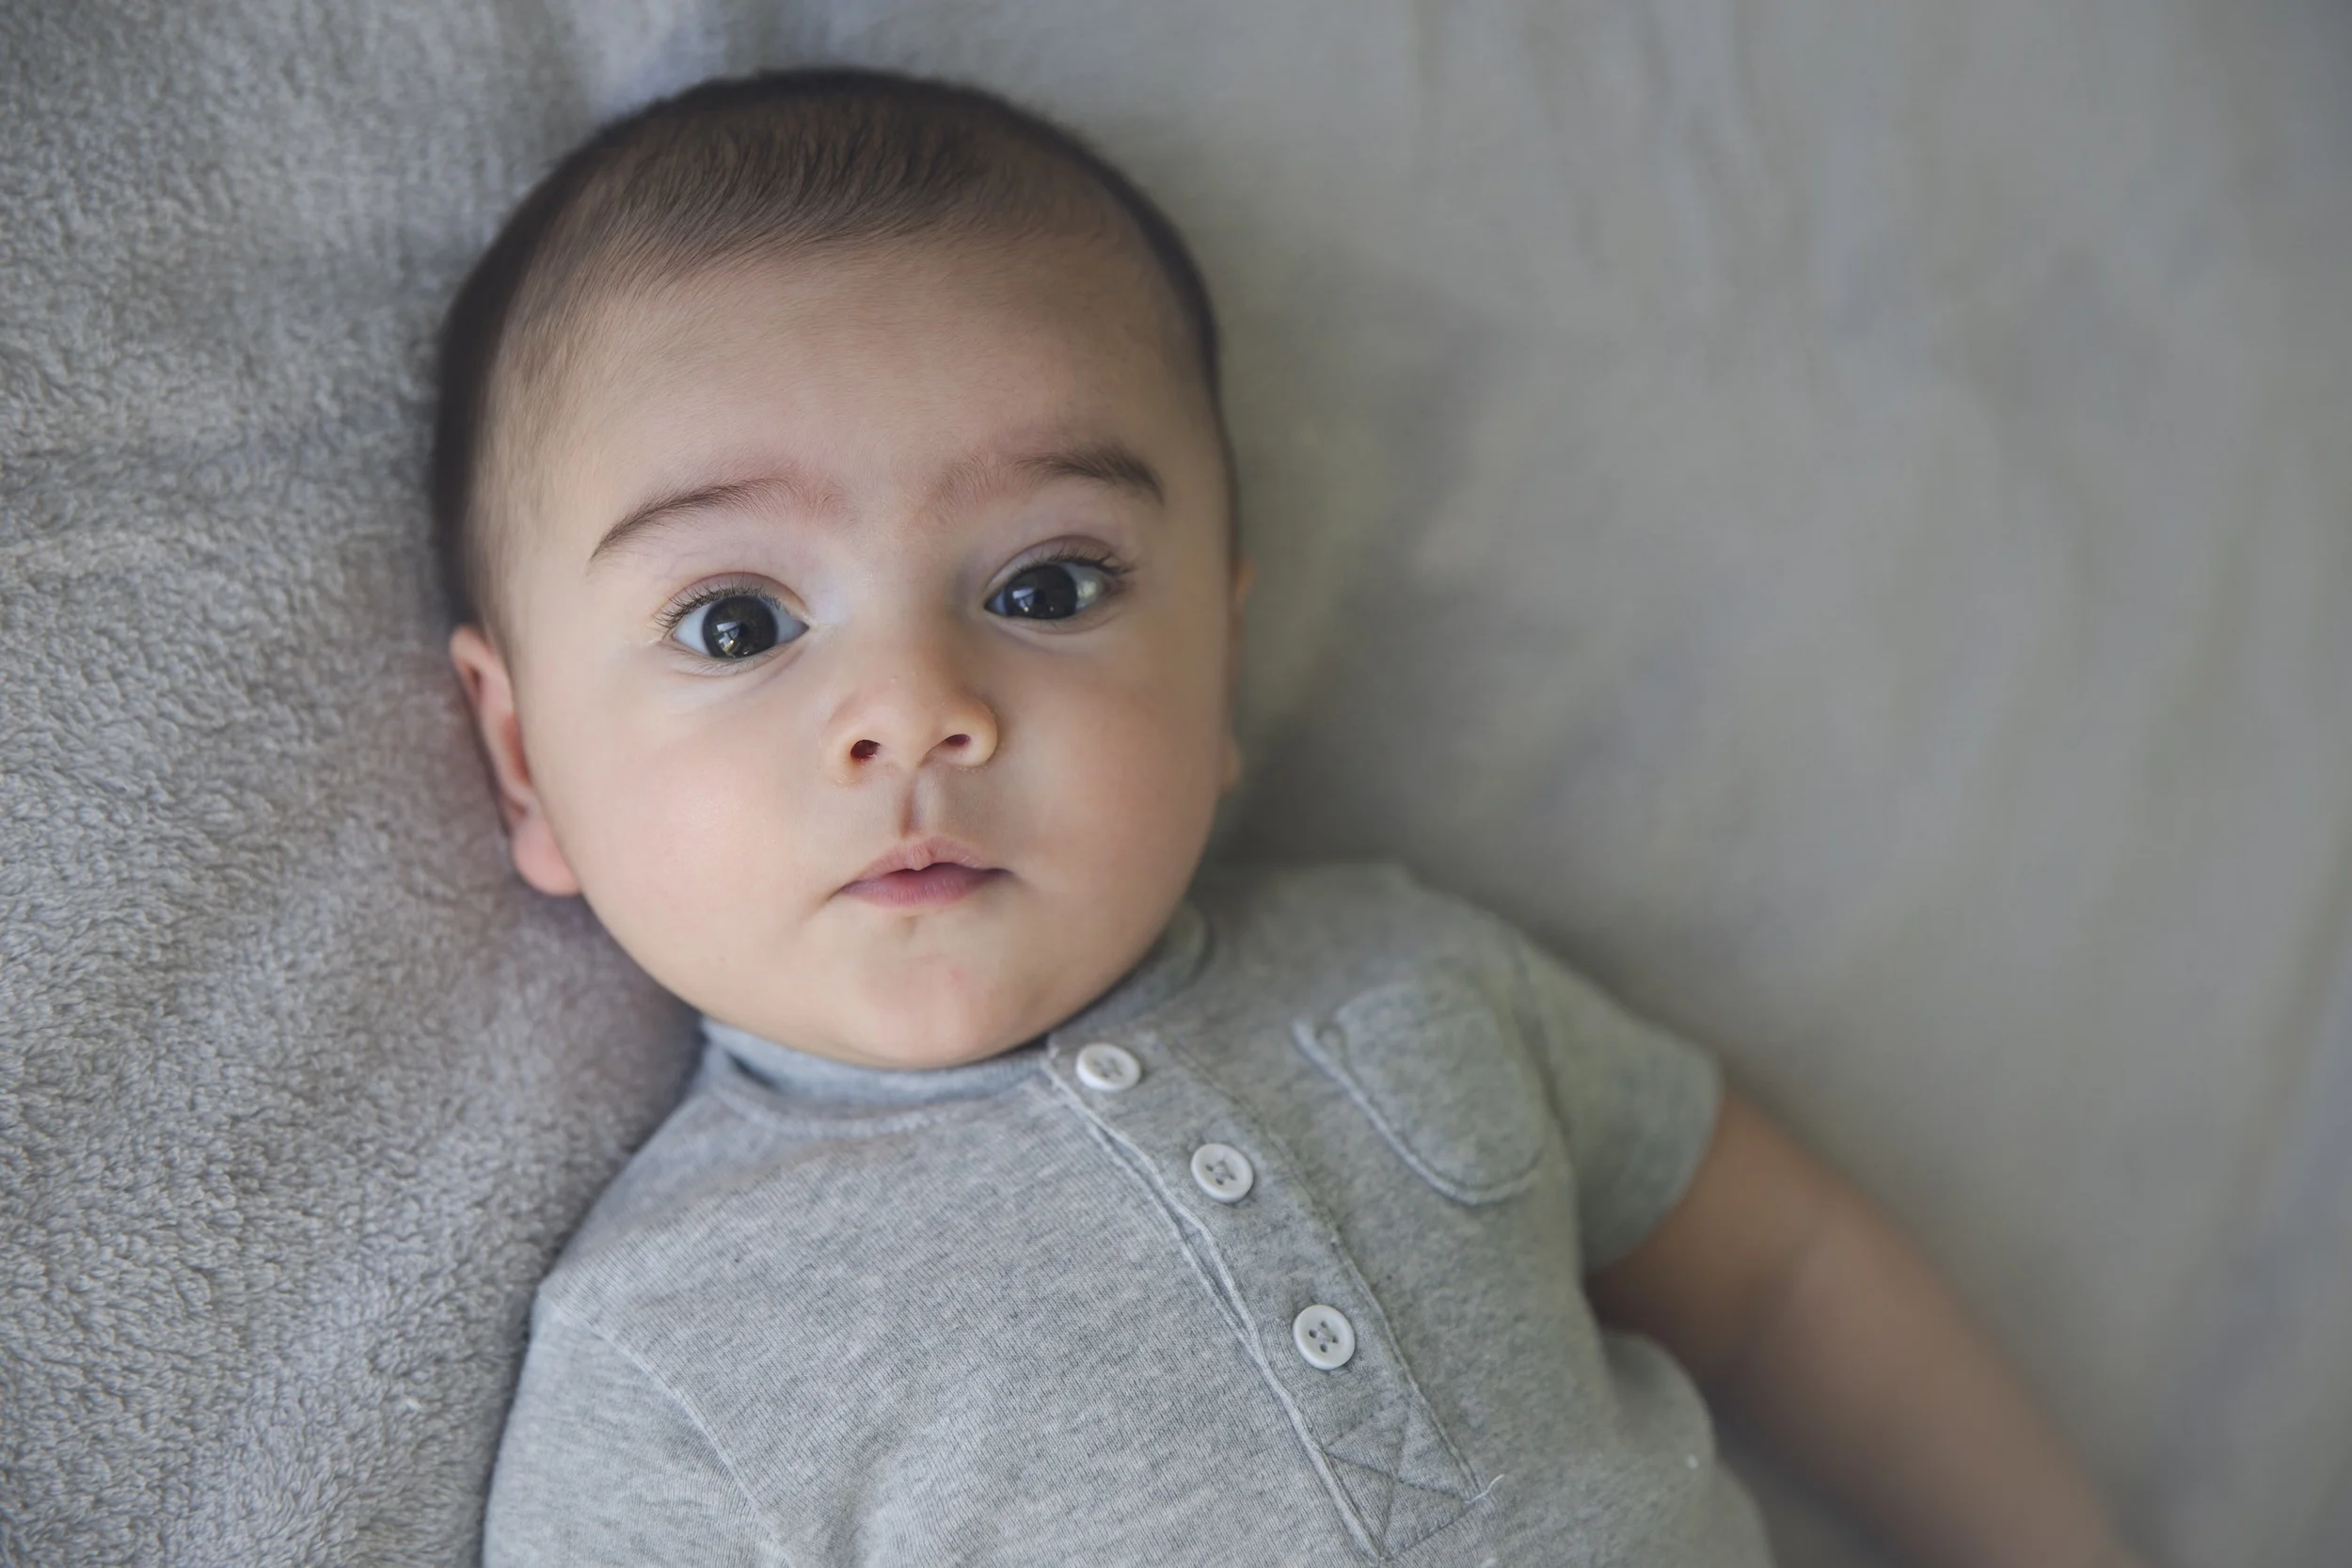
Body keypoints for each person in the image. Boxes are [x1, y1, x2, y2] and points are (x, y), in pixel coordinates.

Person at [437, 67, 2146, 1568]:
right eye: (737, 621)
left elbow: (1778, 1276)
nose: (916, 705)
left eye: (1047, 584)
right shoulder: (665, 1353)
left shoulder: (1411, 977)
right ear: (526, 761)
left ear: (1221, 668)